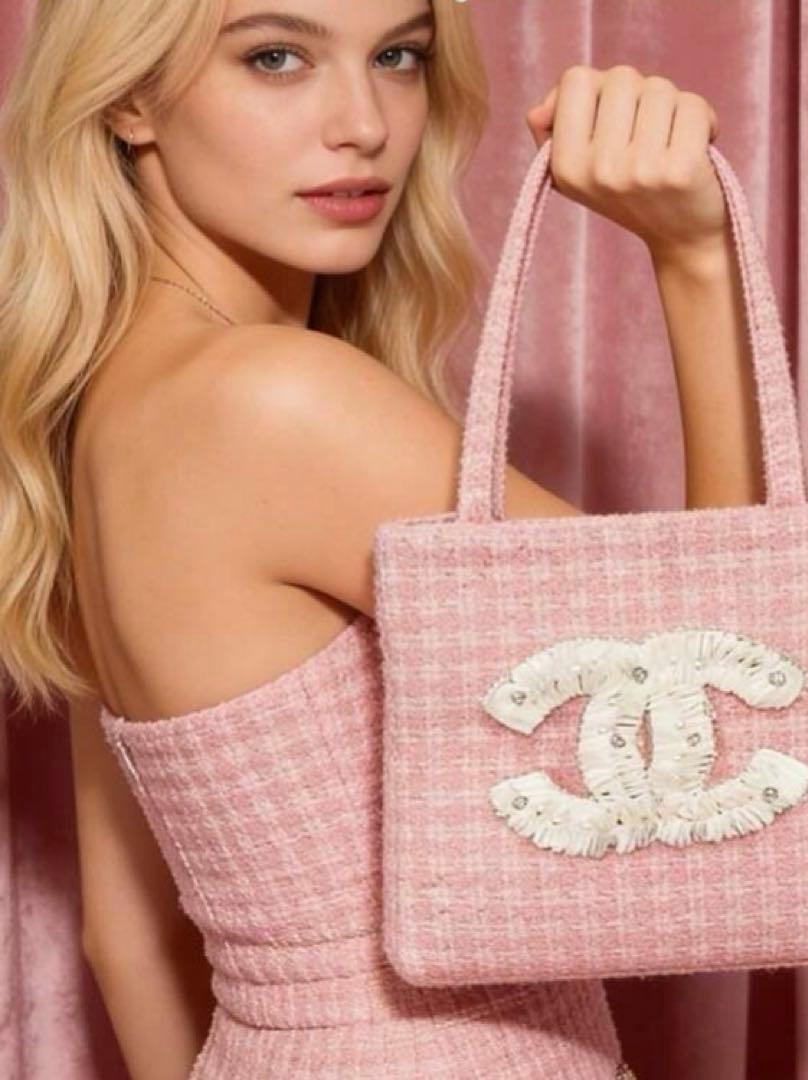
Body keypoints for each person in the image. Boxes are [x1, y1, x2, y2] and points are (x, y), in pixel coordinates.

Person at [0, 0, 740, 1075]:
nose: (364, 124)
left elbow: (127, 939)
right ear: (129, 97)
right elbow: (730, 684)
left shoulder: (103, 413)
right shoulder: (277, 401)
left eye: (398, 55)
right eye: (276, 57)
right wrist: (696, 257)